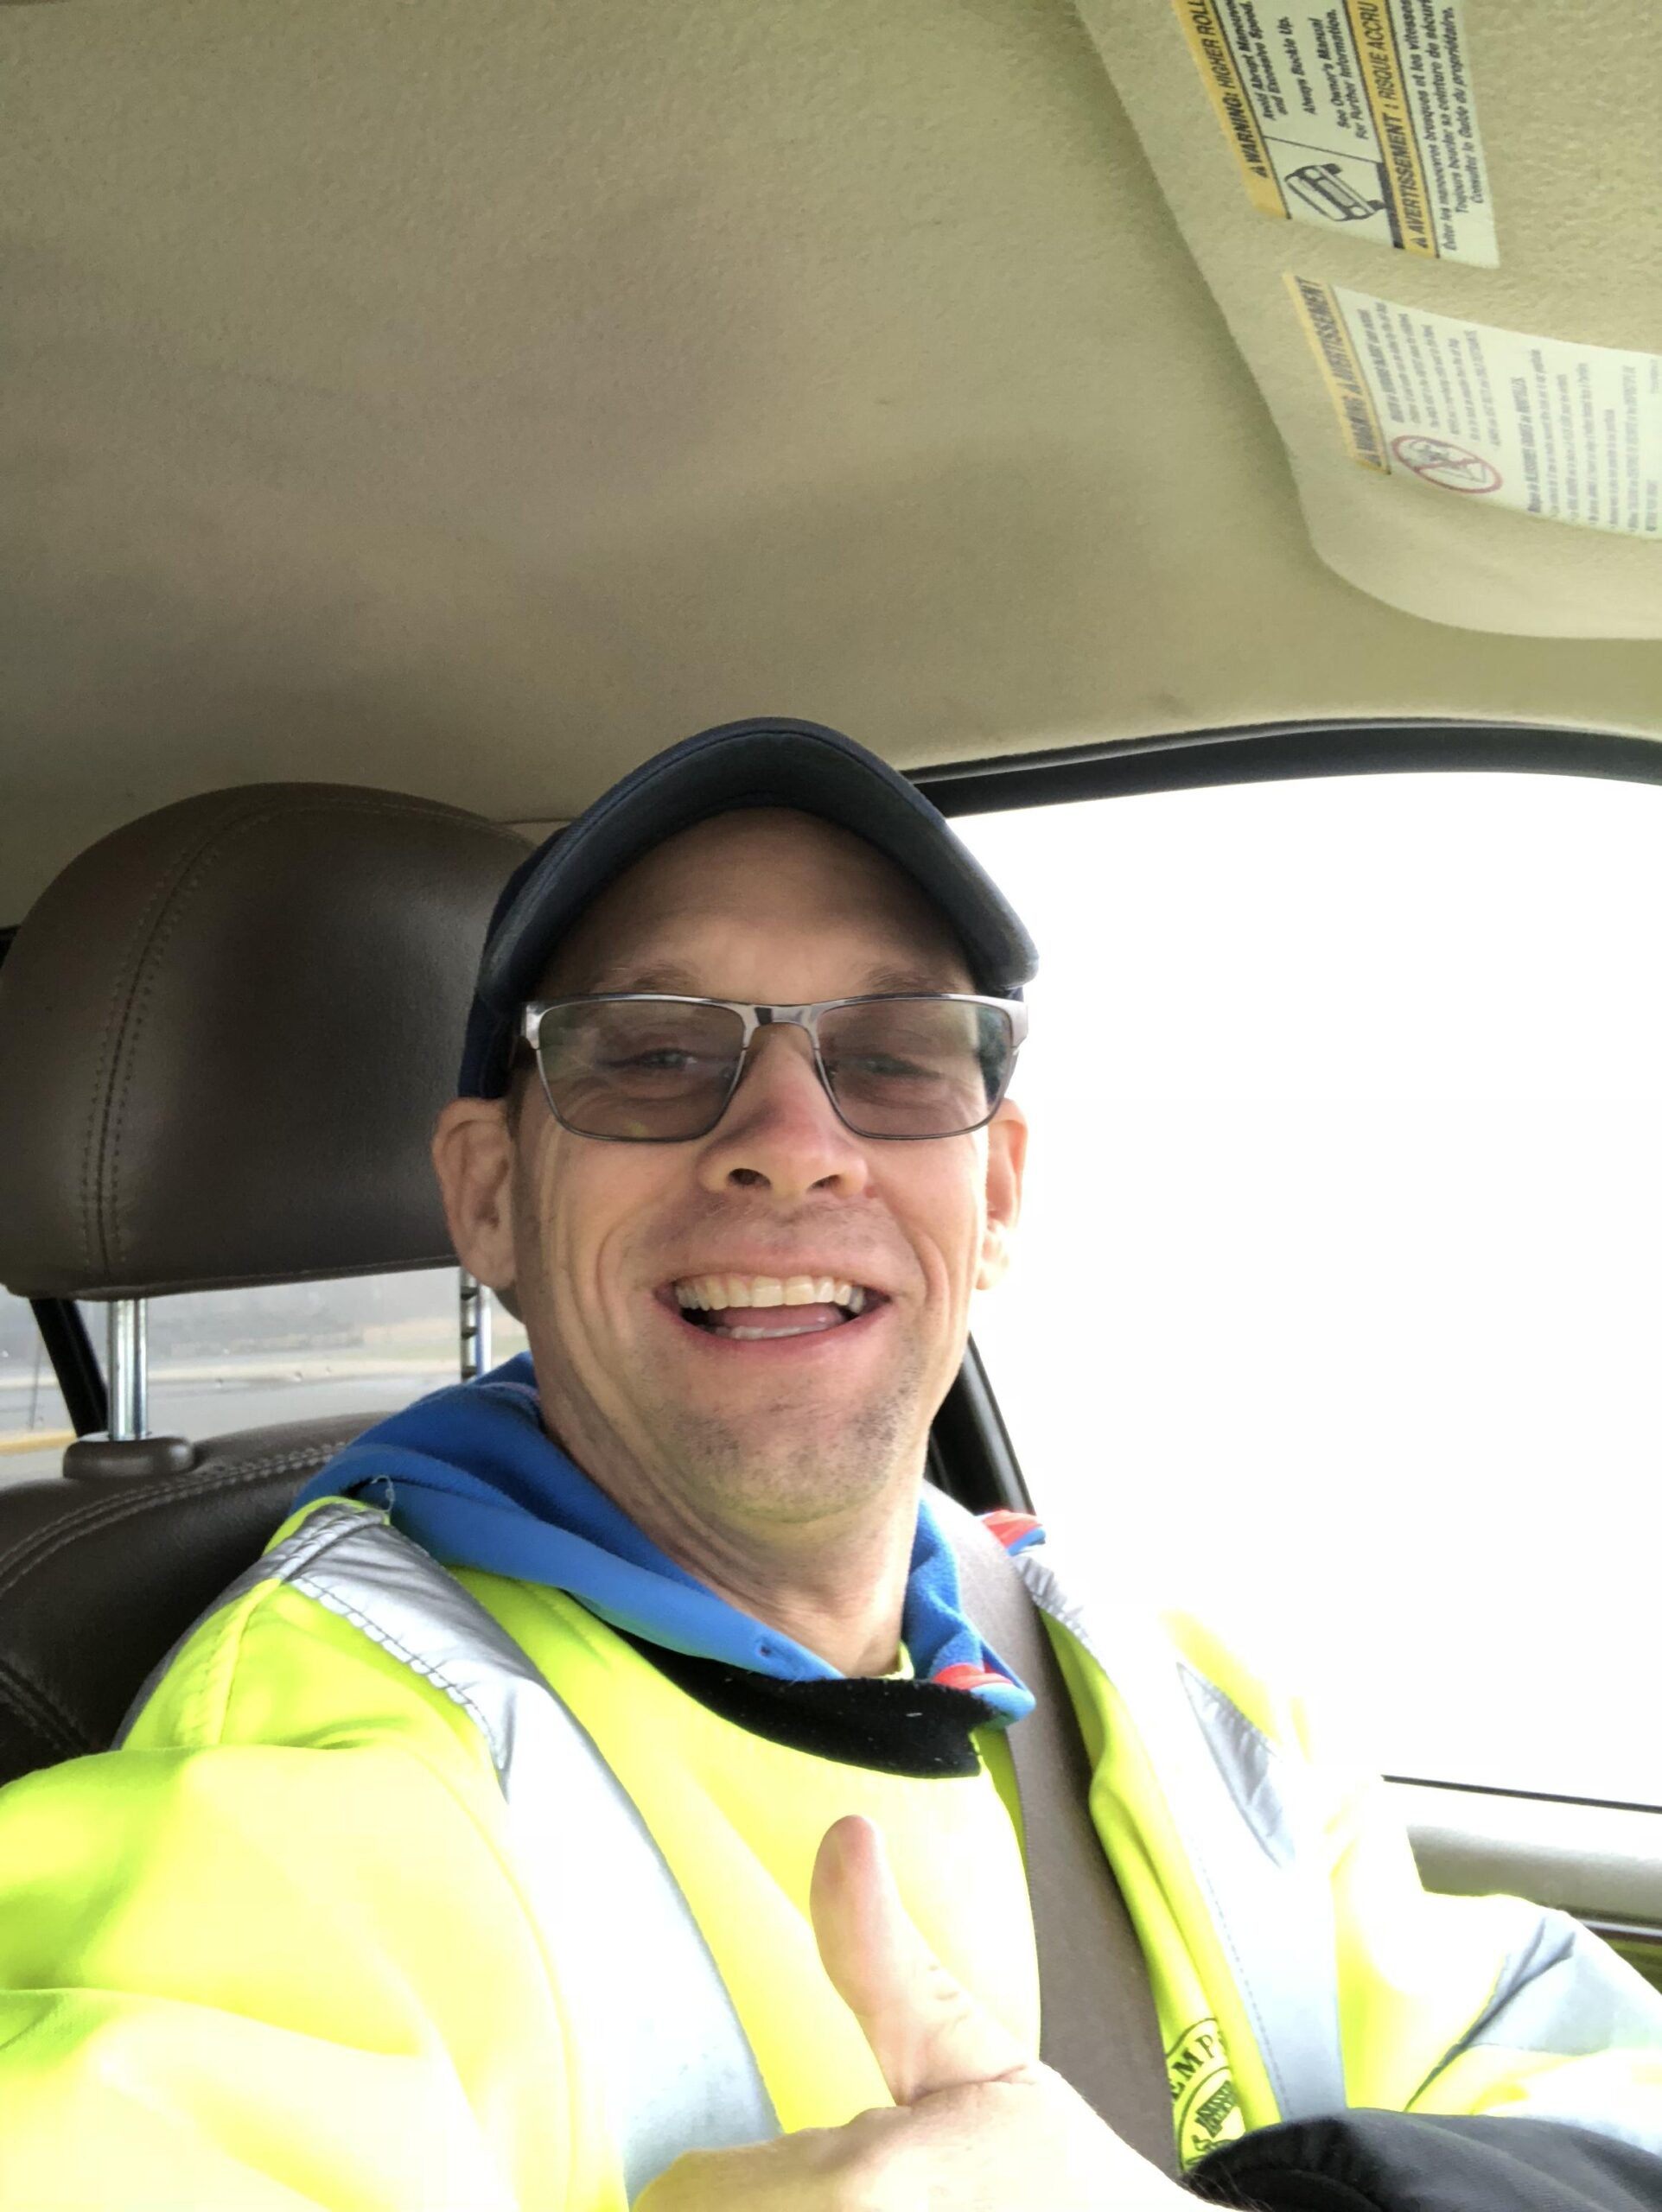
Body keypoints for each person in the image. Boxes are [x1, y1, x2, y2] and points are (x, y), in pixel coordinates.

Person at [0, 716, 1659, 2211]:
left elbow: (1610, 2093)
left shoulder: (1183, 1696)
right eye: (650, 1052)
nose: (792, 1145)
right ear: (492, 1194)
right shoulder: (317, 1801)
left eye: (893, 1055)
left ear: (995, 1193)